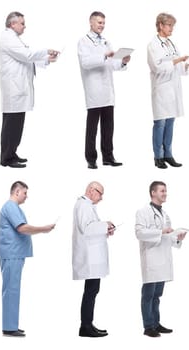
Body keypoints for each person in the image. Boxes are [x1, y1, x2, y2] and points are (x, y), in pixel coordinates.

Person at [0, 11, 58, 168]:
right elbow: (27, 55)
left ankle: (12, 153)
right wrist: (46, 51)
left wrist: (46, 59)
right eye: (22, 23)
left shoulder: (15, 40)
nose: (25, 26)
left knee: (17, 124)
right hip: (14, 89)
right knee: (11, 125)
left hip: (19, 89)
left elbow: (26, 59)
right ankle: (6, 158)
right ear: (13, 24)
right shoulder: (7, 38)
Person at [0, 181, 55, 337]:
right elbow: (22, 228)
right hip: (12, 254)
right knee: (11, 290)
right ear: (17, 191)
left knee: (13, 290)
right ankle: (9, 327)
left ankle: (11, 325)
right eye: (25, 193)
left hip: (15, 254)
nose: (26, 196)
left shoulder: (14, 208)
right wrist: (43, 229)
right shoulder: (10, 207)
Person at [78, 11, 130, 170]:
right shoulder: (83, 41)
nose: (102, 25)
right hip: (94, 90)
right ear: (91, 22)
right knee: (92, 129)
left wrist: (122, 62)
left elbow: (112, 64)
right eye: (99, 22)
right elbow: (85, 62)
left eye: (103, 23)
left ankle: (108, 157)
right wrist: (104, 55)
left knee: (108, 127)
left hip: (107, 92)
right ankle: (91, 159)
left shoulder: (106, 41)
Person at [135, 181, 186, 337]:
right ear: (153, 192)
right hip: (151, 259)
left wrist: (178, 237)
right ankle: (148, 326)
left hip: (163, 259)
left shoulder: (165, 214)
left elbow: (169, 238)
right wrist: (161, 231)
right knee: (148, 295)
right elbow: (139, 233)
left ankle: (156, 323)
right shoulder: (143, 211)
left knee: (157, 296)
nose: (165, 193)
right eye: (162, 191)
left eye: (165, 191)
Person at [147, 12, 189, 169]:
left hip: (173, 90)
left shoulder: (171, 43)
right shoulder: (153, 45)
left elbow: (178, 67)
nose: (171, 29)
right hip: (162, 89)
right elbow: (157, 67)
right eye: (169, 25)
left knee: (170, 122)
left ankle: (168, 154)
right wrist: (179, 59)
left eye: (172, 26)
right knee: (160, 123)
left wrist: (188, 63)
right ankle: (158, 157)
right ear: (161, 25)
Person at [72, 181, 115, 337]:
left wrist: (106, 230)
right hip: (89, 258)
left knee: (92, 291)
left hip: (93, 257)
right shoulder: (83, 205)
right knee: (90, 292)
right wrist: (105, 224)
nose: (101, 197)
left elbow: (92, 228)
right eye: (100, 193)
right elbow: (87, 228)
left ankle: (88, 324)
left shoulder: (87, 206)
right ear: (91, 190)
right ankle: (85, 327)